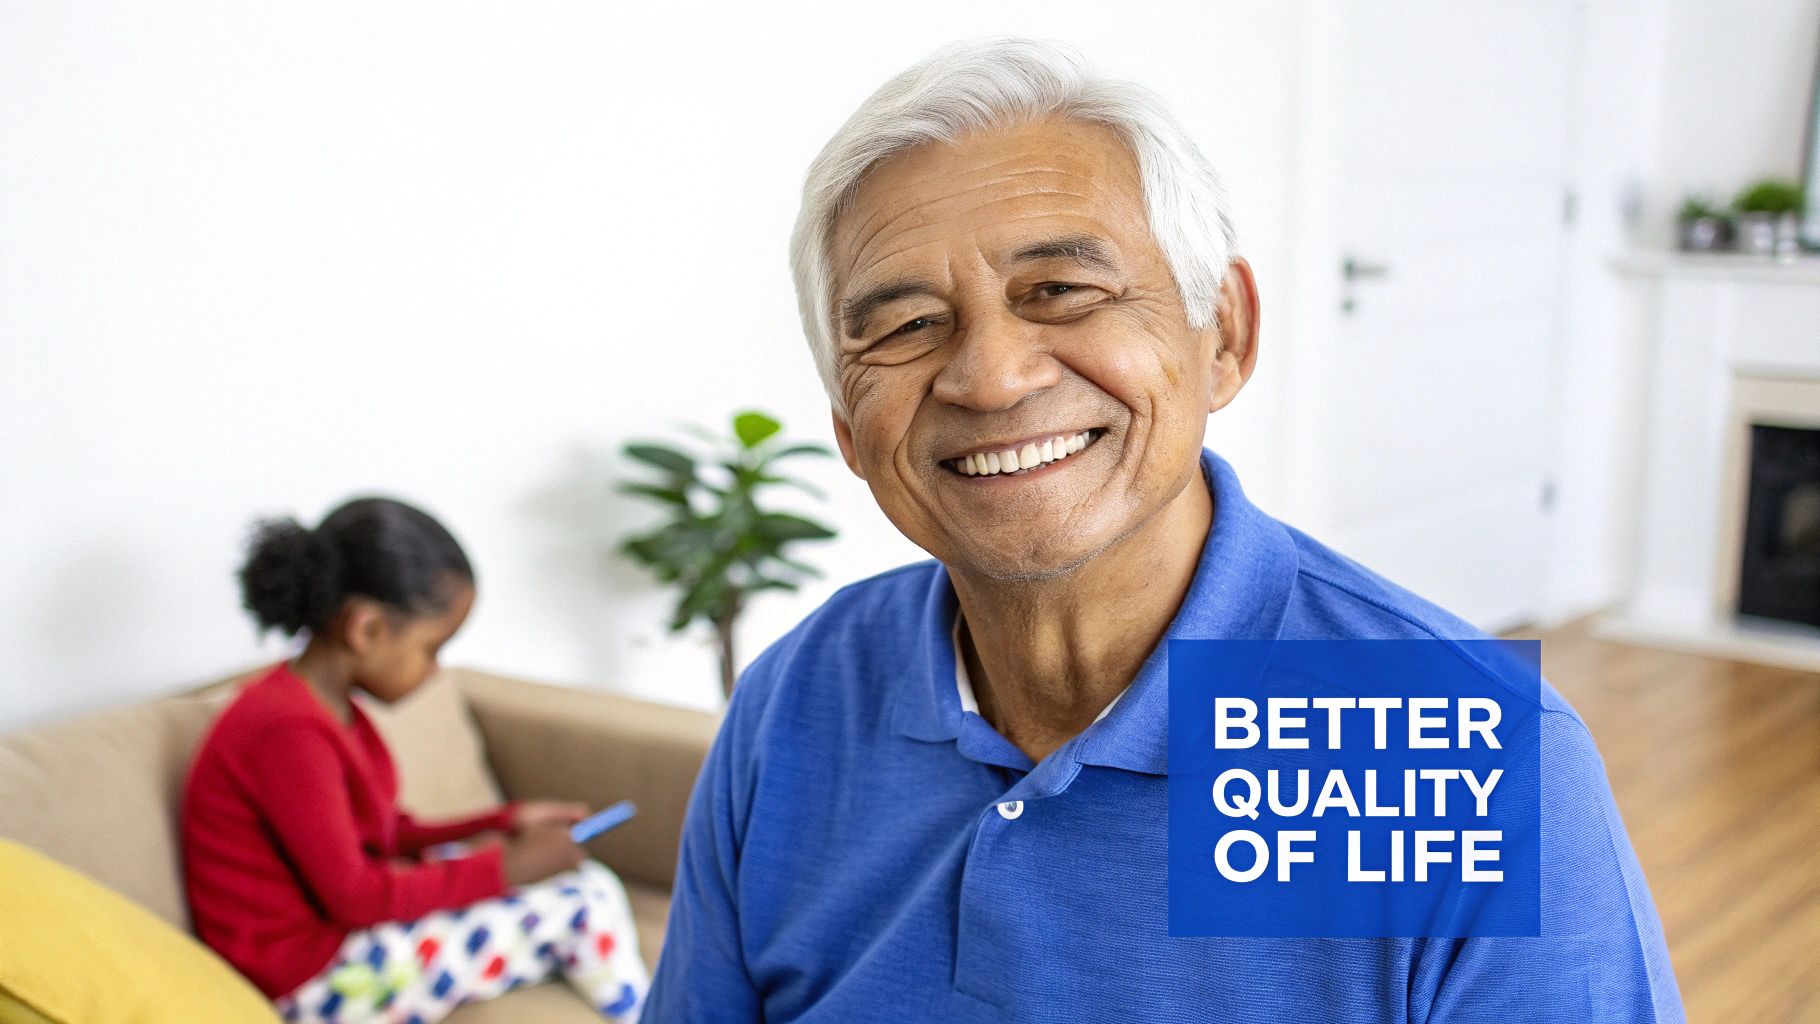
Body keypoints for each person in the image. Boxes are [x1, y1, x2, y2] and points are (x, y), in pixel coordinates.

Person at [641, 38, 1685, 1023]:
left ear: (1222, 334)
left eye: (1059, 290)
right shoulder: (795, 700)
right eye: (907, 325)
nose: (990, 374)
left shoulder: (1465, 759)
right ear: (847, 428)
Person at [182, 497, 647, 1024]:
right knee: (585, 900)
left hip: (339, 939)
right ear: (367, 629)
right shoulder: (286, 731)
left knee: (576, 882)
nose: (435, 672)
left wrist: (501, 822)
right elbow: (357, 896)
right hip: (312, 981)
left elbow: (381, 834)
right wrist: (512, 865)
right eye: (431, 649)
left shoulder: (330, 711)